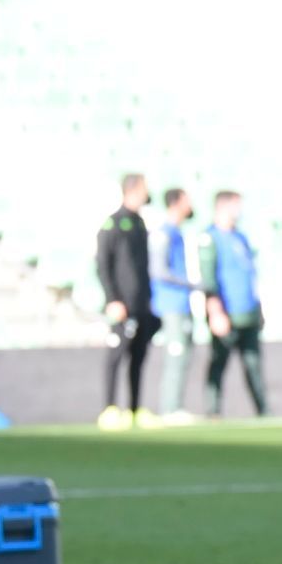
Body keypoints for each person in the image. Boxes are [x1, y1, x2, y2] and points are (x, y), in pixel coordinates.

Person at [95, 173, 160, 431]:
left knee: (138, 358)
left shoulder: (140, 224)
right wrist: (113, 299)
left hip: (142, 302)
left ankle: (134, 408)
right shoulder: (113, 224)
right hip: (122, 304)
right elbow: (102, 265)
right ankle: (110, 408)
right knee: (116, 355)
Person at [200, 190, 268, 418]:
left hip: (247, 313)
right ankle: (213, 413)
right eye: (236, 206)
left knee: (254, 366)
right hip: (226, 314)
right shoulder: (210, 238)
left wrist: (259, 309)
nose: (240, 211)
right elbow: (208, 279)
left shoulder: (241, 238)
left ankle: (264, 413)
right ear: (223, 206)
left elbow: (251, 275)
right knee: (219, 365)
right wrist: (215, 312)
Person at [152, 188, 198, 422]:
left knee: (184, 356)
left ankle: (175, 406)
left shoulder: (177, 233)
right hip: (171, 304)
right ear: (177, 203)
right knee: (175, 355)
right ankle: (169, 409)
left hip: (182, 304)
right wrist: (191, 283)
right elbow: (159, 271)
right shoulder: (164, 233)